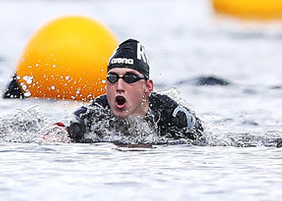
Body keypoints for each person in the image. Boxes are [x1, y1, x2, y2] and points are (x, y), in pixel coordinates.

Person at [64, 38, 204, 142]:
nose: (119, 87)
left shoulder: (171, 115)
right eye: (113, 78)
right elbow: (72, 123)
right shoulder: (97, 111)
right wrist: (59, 133)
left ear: (147, 87)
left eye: (130, 78)